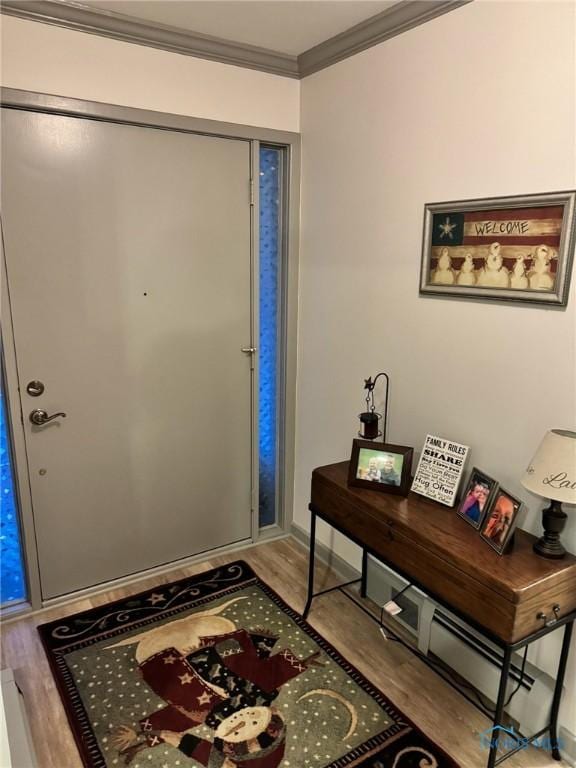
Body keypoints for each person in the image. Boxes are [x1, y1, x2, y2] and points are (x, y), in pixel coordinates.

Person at [110, 610, 324, 766]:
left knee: (181, 695)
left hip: (209, 705)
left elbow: (191, 744)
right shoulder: (256, 695)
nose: (243, 723)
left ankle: (167, 664)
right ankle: (219, 649)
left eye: (238, 731)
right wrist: (301, 663)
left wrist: (141, 737)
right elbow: (272, 678)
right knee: (249, 670)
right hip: (238, 688)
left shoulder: (206, 718)